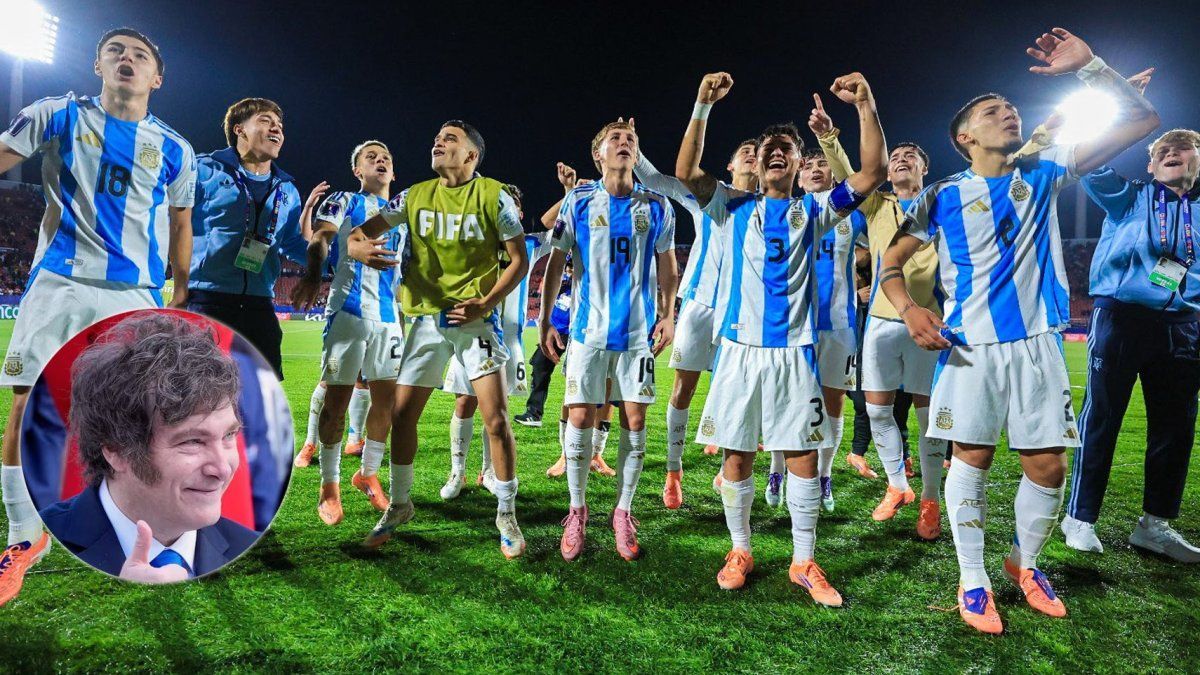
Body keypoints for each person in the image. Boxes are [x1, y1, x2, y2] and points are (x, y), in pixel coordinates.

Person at [881, 27, 1160, 634]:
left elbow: (1142, 119)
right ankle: (972, 578)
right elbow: (890, 266)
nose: (1007, 113)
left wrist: (1092, 68)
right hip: (970, 347)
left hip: (1038, 344)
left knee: (1048, 467)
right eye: (992, 111)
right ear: (965, 137)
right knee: (971, 461)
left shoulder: (1046, 170)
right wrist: (908, 309)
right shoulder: (941, 194)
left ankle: (1022, 563)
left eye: (1010, 108)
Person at [0, 27, 196, 604]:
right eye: (115, 51)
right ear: (97, 65)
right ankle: (21, 539)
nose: (127, 60)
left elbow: (180, 223)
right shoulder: (59, 115)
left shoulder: (175, 149)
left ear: (157, 77)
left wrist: (179, 290)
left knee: (141, 420)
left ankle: (143, 527)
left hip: (134, 293)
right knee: (26, 406)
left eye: (140, 54)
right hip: (58, 284)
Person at [678, 71, 887, 603]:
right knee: (737, 455)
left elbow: (873, 173)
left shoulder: (813, 210)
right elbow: (685, 171)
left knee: (802, 457)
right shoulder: (730, 206)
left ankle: (803, 559)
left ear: (797, 163)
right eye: (769, 146)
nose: (776, 152)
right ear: (756, 161)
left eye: (786, 149)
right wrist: (702, 105)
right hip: (740, 352)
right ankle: (741, 548)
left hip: (795, 353)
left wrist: (864, 107)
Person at [347, 120, 529, 559]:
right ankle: (401, 504)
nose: (439, 142)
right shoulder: (414, 196)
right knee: (402, 416)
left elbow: (519, 260)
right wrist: (356, 247)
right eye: (437, 138)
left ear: (472, 156)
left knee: (497, 419)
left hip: (474, 321)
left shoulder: (493, 195)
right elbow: (360, 233)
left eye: (451, 140)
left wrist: (486, 303)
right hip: (427, 321)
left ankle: (507, 514)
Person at [539, 119, 678, 562]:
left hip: (637, 336)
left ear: (637, 154)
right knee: (579, 418)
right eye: (615, 139)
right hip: (586, 333)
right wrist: (545, 320)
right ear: (597, 154)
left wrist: (669, 315)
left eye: (631, 139)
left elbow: (669, 266)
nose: (625, 143)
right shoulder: (577, 202)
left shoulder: (657, 205)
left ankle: (622, 511)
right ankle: (577, 510)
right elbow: (556, 262)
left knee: (635, 421)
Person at [1059, 128, 1200, 562]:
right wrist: (1117, 118)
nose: (1173, 153)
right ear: (1151, 165)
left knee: (1176, 427)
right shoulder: (1130, 196)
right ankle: (1080, 518)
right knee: (1102, 416)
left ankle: (1155, 525)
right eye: (1162, 151)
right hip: (1122, 315)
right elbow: (1091, 165)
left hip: (1185, 324)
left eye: (1184, 148)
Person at [39, 313, 257, 582]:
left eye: (229, 436)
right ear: (116, 449)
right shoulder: (38, 545)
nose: (222, 469)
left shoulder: (252, 550)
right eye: (192, 442)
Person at [814, 103, 944, 537]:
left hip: (930, 321)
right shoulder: (876, 206)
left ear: (925, 168)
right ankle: (896, 485)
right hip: (883, 322)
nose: (901, 159)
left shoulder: (944, 203)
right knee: (877, 409)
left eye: (911, 156)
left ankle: (929, 499)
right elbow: (850, 173)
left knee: (929, 417)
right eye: (896, 156)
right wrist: (829, 138)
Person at [634, 138, 758, 509]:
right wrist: (637, 148)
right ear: (731, 165)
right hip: (701, 304)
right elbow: (656, 180)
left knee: (735, 396)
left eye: (757, 151)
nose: (752, 154)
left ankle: (727, 468)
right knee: (682, 389)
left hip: (741, 312)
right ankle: (674, 471)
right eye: (744, 152)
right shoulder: (706, 195)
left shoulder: (772, 203)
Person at [291, 140, 405, 523]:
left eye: (385, 157)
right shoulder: (344, 200)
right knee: (336, 405)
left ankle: (368, 474)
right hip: (348, 312)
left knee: (386, 403)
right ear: (357, 171)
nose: (380, 160)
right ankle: (329, 483)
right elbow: (321, 237)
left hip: (390, 318)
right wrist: (312, 271)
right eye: (371, 157)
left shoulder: (401, 214)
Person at [440, 185, 552, 499]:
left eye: (513, 206)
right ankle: (456, 473)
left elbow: (555, 224)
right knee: (464, 403)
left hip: (510, 340)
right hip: (475, 335)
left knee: (496, 412)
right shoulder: (477, 243)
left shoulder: (529, 244)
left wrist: (570, 192)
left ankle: (489, 472)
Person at [187, 98, 308, 379]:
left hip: (259, 305)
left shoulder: (287, 189)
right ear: (239, 129)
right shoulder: (203, 170)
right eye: (266, 121)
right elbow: (172, 223)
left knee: (261, 401)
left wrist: (335, 257)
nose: (276, 129)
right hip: (208, 299)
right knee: (199, 396)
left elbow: (291, 242)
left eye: (280, 125)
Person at [794, 140, 868, 513]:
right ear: (798, 176)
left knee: (834, 402)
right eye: (808, 166)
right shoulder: (787, 211)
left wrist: (870, 275)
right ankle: (779, 469)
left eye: (823, 165)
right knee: (792, 401)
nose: (816, 170)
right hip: (794, 326)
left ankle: (824, 475)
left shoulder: (853, 215)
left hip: (839, 323)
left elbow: (884, 245)